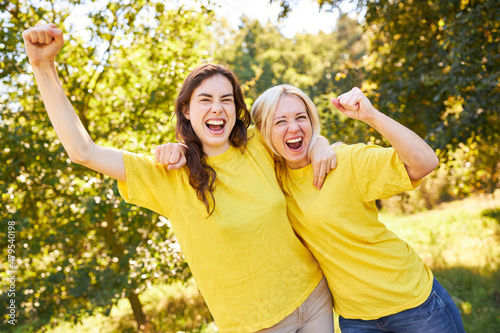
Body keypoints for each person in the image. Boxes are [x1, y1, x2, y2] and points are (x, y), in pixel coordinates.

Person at [22, 24, 338, 332]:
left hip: (313, 299)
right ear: (186, 110)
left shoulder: (257, 144)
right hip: (253, 326)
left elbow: (297, 133)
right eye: (205, 99)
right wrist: (42, 66)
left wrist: (320, 143)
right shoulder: (169, 175)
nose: (218, 109)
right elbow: (83, 151)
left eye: (226, 99)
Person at [249, 84, 466, 333]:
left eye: (301, 117)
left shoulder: (345, 161)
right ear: (264, 130)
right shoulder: (272, 178)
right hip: (356, 319)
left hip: (413, 304)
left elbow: (425, 163)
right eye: (280, 121)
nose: (295, 127)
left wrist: (371, 116)